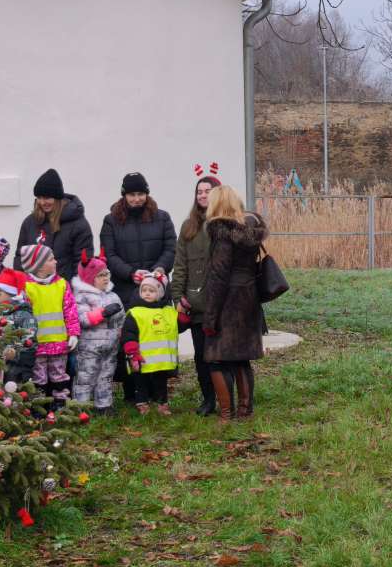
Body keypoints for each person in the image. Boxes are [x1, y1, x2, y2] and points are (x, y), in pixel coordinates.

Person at [100, 172, 176, 405]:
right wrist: (129, 273)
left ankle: (158, 391)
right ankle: (132, 391)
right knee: (130, 340)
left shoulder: (162, 218)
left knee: (157, 337)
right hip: (127, 290)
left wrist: (159, 269)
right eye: (132, 194)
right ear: (124, 195)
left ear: (147, 194)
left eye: (141, 194)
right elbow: (108, 254)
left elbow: (170, 248)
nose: (136, 199)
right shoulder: (111, 220)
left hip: (157, 289)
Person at [203, 185, 268, 422]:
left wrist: (210, 318)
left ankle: (226, 414)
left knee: (215, 358)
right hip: (248, 298)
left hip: (228, 301)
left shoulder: (222, 233)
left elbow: (219, 277)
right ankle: (245, 411)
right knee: (242, 358)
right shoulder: (250, 230)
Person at [170, 169, 222, 416]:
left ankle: (228, 399)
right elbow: (180, 263)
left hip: (221, 303)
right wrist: (177, 295)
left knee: (220, 355)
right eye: (199, 192)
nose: (202, 195)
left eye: (207, 191)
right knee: (201, 356)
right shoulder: (188, 226)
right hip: (196, 301)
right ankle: (208, 400)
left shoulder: (224, 224)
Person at [19, 241, 80, 411]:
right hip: (36, 345)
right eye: (51, 259)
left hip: (59, 343)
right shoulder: (26, 287)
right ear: (38, 266)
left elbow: (70, 310)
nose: (56, 262)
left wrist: (73, 333)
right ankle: (40, 407)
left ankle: (60, 406)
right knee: (38, 377)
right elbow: (21, 314)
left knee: (59, 375)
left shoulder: (61, 284)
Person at [16, 169, 94, 281]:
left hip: (63, 290)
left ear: (58, 198)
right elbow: (20, 256)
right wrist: (22, 283)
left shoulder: (78, 224)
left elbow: (82, 263)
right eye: (39, 198)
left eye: (47, 198)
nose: (42, 202)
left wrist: (69, 291)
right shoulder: (29, 222)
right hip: (32, 290)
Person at [72, 249, 125, 414]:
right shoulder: (82, 296)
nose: (106, 278)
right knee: (86, 376)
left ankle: (104, 405)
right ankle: (81, 407)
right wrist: (102, 313)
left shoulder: (113, 295)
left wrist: (122, 332)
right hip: (90, 348)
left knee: (106, 375)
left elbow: (122, 316)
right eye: (101, 275)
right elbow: (82, 319)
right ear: (90, 278)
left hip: (111, 345)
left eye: (107, 274)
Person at [121, 270, 179, 416]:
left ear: (159, 293)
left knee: (161, 383)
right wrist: (132, 351)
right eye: (144, 290)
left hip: (160, 360)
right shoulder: (135, 312)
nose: (147, 293)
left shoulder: (167, 311)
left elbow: (175, 325)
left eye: (151, 291)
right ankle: (142, 403)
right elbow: (129, 334)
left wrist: (184, 317)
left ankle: (162, 404)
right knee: (141, 383)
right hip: (140, 359)